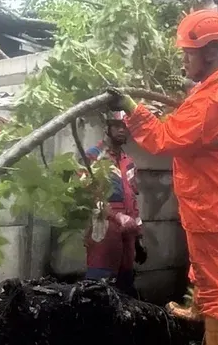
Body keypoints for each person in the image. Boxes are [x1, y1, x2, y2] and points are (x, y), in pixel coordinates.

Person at [106, 9, 218, 345]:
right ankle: (196, 310)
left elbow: (161, 140)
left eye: (188, 54)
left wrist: (132, 108)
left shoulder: (211, 103)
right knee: (203, 268)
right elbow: (197, 129)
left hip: (213, 208)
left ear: (210, 52)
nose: (184, 61)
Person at [81, 111, 147, 296]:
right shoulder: (93, 156)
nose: (122, 130)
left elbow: (133, 202)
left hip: (128, 231)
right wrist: (117, 216)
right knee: (98, 287)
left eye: (125, 127)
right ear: (106, 128)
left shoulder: (129, 162)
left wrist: (139, 238)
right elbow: (88, 197)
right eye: (117, 126)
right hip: (104, 227)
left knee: (125, 286)